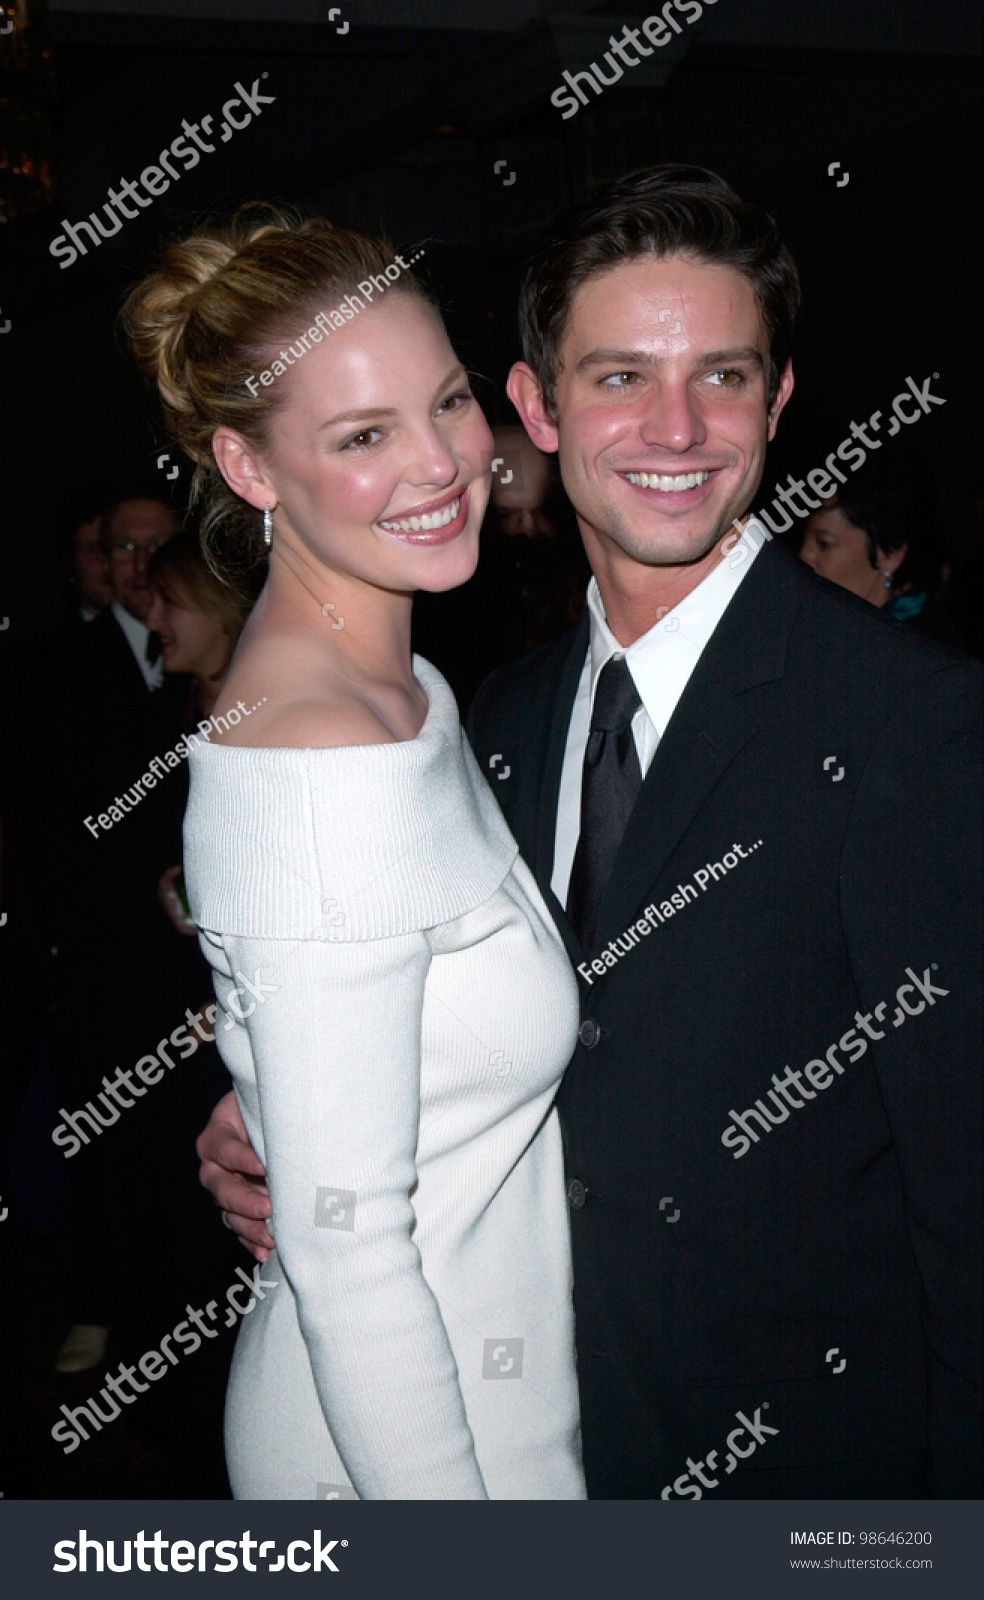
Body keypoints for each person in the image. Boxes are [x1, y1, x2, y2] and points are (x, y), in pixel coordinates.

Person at [202, 166, 982, 1500]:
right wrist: (279, 1104)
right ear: (536, 406)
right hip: (519, 1439)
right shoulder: (488, 715)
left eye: (725, 377)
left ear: (781, 399)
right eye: (620, 376)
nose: (676, 427)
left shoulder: (916, 724)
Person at [123, 206, 585, 1500]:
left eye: (445, 403)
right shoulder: (322, 765)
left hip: (499, 1400)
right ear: (250, 468)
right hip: (404, 1459)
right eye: (362, 436)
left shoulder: (405, 692)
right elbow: (349, 1259)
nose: (440, 463)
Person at [799, 447, 965, 645]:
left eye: (824, 544)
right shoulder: (845, 629)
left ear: (889, 554)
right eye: (804, 540)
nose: (803, 556)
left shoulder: (919, 652)